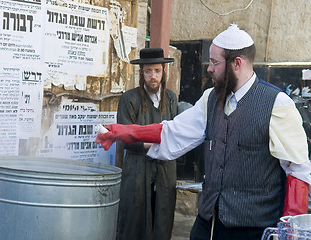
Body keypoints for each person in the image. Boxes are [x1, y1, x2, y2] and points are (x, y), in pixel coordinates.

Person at [96, 24, 311, 240]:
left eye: (215, 63)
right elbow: (172, 132)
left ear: (237, 63)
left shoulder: (277, 104)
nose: (209, 68)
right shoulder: (211, 98)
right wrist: (121, 131)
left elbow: (297, 171)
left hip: (253, 228)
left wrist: (290, 233)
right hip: (208, 222)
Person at [114, 47, 178, 240]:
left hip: (165, 170)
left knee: (162, 221)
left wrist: (163, 145)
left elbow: (175, 133)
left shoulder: (171, 99)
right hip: (138, 169)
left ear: (163, 72)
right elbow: (125, 137)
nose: (153, 76)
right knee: (135, 223)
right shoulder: (130, 99)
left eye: (157, 71)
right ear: (141, 73)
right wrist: (155, 145)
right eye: (148, 71)